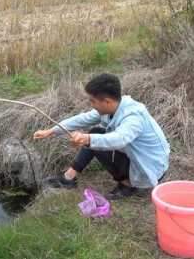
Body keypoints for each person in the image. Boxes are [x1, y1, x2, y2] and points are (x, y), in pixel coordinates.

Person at [33, 73, 170, 200]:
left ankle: (127, 185)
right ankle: (68, 178)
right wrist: (51, 131)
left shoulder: (133, 116)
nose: (91, 104)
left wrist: (87, 139)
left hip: (149, 166)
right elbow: (82, 119)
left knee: (94, 137)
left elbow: (119, 139)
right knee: (96, 133)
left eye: (93, 101)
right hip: (134, 154)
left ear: (107, 101)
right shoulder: (112, 107)